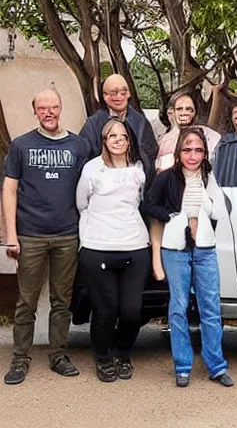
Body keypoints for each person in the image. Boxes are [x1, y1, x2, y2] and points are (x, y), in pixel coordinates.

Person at [3, 88, 88, 385]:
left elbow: (89, 189)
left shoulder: (78, 146)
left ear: (60, 108)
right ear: (35, 111)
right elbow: (9, 191)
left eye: (53, 107)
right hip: (30, 235)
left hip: (67, 235)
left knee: (62, 301)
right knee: (26, 301)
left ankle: (58, 355)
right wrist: (12, 237)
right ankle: (19, 359)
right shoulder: (21, 145)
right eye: (42, 108)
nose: (49, 112)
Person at [144, 127, 233, 388]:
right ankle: (182, 366)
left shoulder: (209, 178)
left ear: (205, 154)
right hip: (175, 249)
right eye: (187, 150)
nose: (192, 156)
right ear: (178, 151)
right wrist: (172, 216)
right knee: (179, 307)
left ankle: (216, 366)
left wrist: (203, 199)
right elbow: (149, 205)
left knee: (210, 308)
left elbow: (220, 211)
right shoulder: (166, 178)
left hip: (205, 249)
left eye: (198, 150)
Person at [76, 119, 150, 382]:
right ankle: (104, 357)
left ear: (129, 140)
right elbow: (81, 202)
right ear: (103, 140)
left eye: (123, 135)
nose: (118, 140)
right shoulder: (91, 169)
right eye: (112, 135)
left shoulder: (139, 169)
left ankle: (123, 352)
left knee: (131, 310)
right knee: (106, 308)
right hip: (98, 247)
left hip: (135, 247)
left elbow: (142, 201)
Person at [79, 74, 157, 189]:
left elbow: (151, 158)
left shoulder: (141, 123)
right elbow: (84, 158)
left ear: (129, 94)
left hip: (134, 190)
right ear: (105, 96)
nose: (119, 96)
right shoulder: (93, 124)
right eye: (113, 93)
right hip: (104, 189)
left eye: (123, 92)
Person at [157, 92, 221, 171]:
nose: (184, 113)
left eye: (189, 109)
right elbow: (161, 172)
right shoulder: (164, 141)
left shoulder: (209, 136)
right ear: (171, 112)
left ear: (195, 113)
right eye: (179, 109)